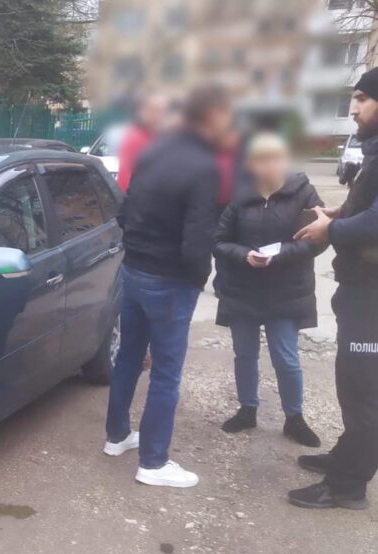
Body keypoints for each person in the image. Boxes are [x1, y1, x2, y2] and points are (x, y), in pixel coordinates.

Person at [104, 83, 233, 488]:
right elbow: (198, 238)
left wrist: (138, 252)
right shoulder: (204, 165)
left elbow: (124, 211)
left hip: (135, 270)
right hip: (170, 280)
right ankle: (153, 462)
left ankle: (117, 436)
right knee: (165, 372)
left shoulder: (152, 151)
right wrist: (199, 278)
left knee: (128, 356)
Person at [289, 62, 378, 510]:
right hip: (364, 288)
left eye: (362, 99)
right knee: (352, 380)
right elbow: (369, 206)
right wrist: (336, 214)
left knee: (367, 387)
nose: (353, 108)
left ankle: (349, 486)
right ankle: (345, 458)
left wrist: (330, 232)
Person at [213, 133, 325, 446]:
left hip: (286, 290)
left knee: (286, 358)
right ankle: (247, 409)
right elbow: (220, 240)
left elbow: (318, 239)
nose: (268, 165)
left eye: (275, 157)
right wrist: (244, 255)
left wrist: (279, 255)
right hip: (242, 289)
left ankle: (295, 418)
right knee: (244, 354)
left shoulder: (303, 192)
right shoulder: (240, 195)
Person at [116, 93, 169, 192]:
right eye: (154, 110)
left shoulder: (164, 137)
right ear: (142, 112)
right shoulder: (135, 137)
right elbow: (126, 176)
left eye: (162, 111)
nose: (158, 115)